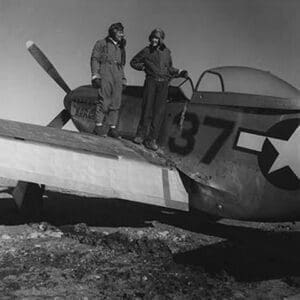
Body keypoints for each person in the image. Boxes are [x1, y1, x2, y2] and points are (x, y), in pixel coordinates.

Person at [130, 28, 188, 150]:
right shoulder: (146, 51)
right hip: (151, 82)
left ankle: (151, 140)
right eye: (152, 38)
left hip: (164, 84)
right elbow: (133, 62)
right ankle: (140, 135)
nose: (154, 40)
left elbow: (169, 68)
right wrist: (144, 67)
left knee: (159, 113)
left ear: (161, 39)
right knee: (147, 109)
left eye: (156, 38)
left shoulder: (167, 52)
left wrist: (180, 71)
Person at [90, 22, 127, 138]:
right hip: (105, 71)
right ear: (113, 31)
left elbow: (121, 65)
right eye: (119, 32)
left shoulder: (121, 47)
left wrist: (123, 79)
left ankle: (112, 128)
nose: (122, 34)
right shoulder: (101, 43)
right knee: (104, 100)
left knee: (116, 101)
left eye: (122, 32)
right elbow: (95, 59)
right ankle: (98, 126)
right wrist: (95, 75)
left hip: (117, 74)